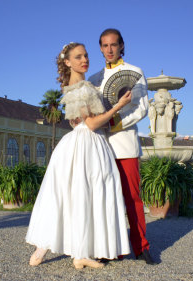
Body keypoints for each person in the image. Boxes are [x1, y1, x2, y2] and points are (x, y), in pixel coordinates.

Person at [25, 42, 132, 269]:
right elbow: (91, 124)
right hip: (87, 142)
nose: (84, 60)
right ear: (67, 62)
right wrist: (118, 106)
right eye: (78, 57)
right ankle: (73, 252)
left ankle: (63, 250)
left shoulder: (79, 85)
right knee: (84, 194)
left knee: (69, 195)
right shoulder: (79, 88)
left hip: (81, 142)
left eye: (85, 55)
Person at [88, 28, 157, 265]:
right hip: (100, 146)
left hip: (125, 143)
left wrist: (116, 123)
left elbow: (142, 108)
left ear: (121, 46)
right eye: (105, 45)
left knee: (132, 199)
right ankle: (108, 249)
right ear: (100, 48)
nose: (109, 50)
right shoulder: (93, 79)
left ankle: (141, 246)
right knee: (105, 199)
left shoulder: (135, 72)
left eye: (113, 45)